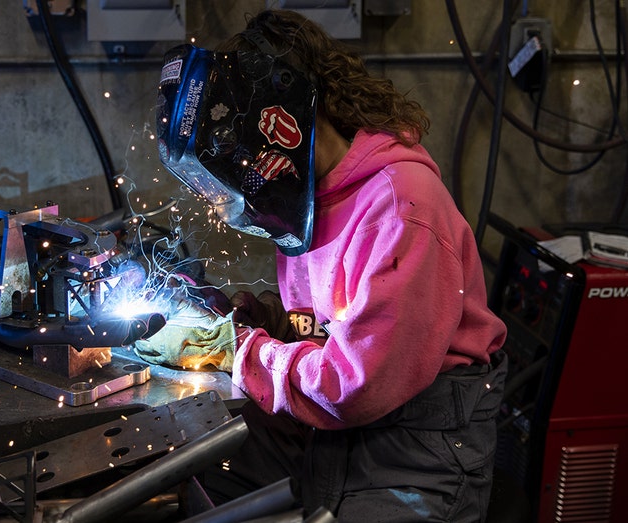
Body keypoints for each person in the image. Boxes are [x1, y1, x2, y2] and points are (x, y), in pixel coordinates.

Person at [137, 9, 509, 522]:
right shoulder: (312, 198)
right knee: (191, 467)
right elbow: (326, 325)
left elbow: (353, 384)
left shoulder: (401, 209)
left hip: (415, 453)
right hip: (339, 431)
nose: (229, 200)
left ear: (277, 120)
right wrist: (241, 321)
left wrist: (234, 352)